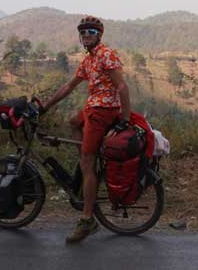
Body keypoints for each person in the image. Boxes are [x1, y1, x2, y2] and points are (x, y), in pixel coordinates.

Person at [42, 15, 132, 243]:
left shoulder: (105, 54)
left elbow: (122, 86)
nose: (85, 35)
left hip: (102, 111)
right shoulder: (88, 60)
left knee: (87, 163)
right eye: (82, 32)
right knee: (73, 122)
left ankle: (87, 219)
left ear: (99, 34)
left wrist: (125, 119)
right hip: (92, 108)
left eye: (90, 31)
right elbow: (69, 86)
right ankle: (85, 164)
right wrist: (45, 106)